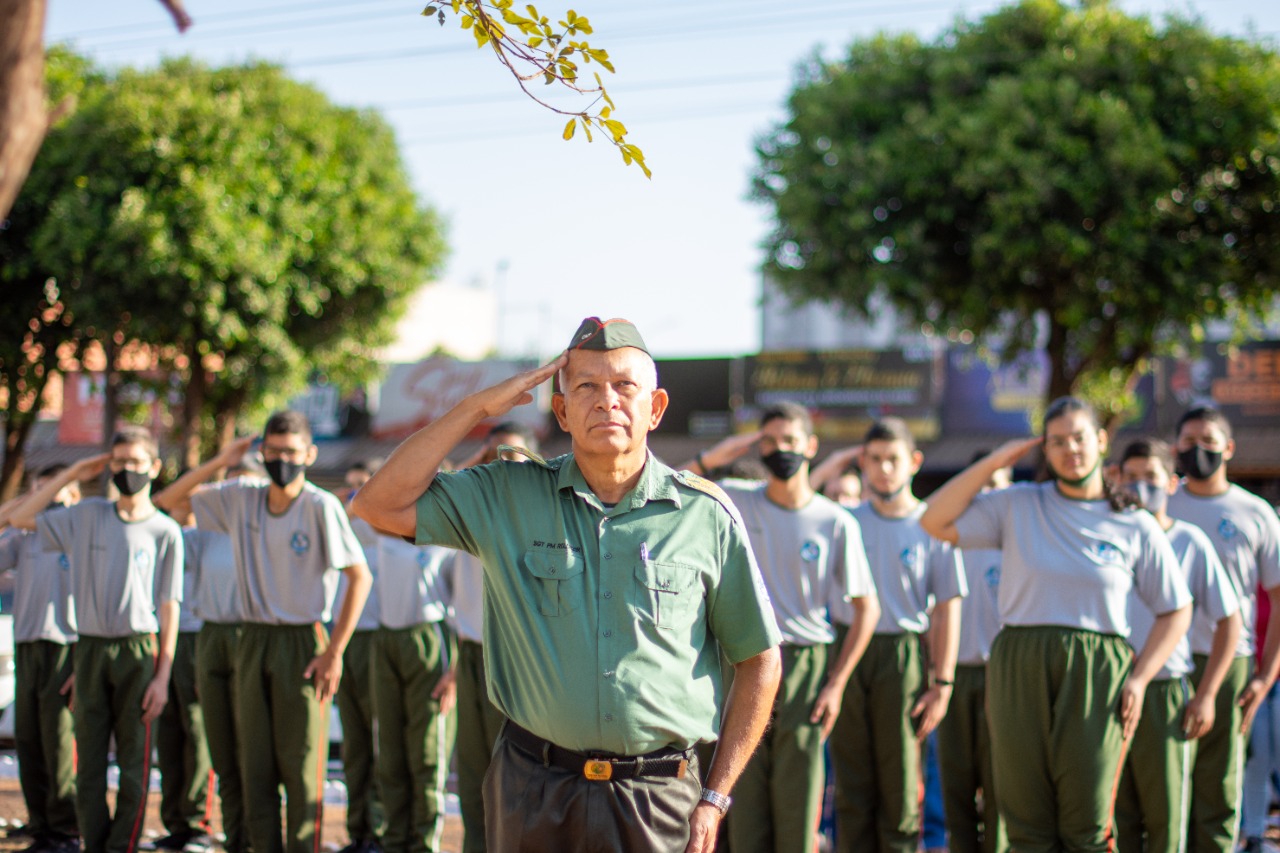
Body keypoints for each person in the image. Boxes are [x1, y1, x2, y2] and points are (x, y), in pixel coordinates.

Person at [351, 316, 784, 852]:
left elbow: (760, 659)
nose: (607, 401)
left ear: (657, 408)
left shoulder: (706, 516)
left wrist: (715, 797)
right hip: (533, 787)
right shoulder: (507, 494)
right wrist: (478, 409)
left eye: (625, 386)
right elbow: (376, 505)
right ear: (561, 410)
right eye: (585, 387)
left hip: (658, 798)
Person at [921, 396, 1194, 853]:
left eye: (1080, 438)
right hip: (1018, 663)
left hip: (1097, 670)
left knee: (1086, 822)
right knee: (1026, 823)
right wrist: (999, 458)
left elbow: (1176, 609)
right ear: (1043, 450)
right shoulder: (1017, 504)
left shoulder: (1133, 523)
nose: (1071, 450)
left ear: (1101, 441)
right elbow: (933, 518)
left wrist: (1141, 678)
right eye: (1057, 442)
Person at [158, 413, 372, 853]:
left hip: (302, 640)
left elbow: (359, 577)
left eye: (291, 453)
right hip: (251, 639)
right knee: (253, 765)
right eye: (273, 452)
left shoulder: (320, 506)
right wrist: (223, 458)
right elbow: (170, 502)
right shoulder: (241, 496)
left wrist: (334, 652)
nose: (282, 461)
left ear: (309, 455)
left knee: (299, 765)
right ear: (261, 452)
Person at [685, 402, 880, 853]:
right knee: (742, 794)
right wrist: (719, 453)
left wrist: (836, 683)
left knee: (800, 800)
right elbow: (671, 480)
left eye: (790, 441)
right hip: (744, 658)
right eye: (769, 441)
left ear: (811, 446)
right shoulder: (734, 496)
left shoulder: (836, 520)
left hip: (806, 663)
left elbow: (866, 608)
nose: (780, 450)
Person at [11, 427, 185, 853]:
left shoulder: (165, 531)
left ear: (154, 468)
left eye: (136, 463)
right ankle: (93, 843)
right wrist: (70, 472)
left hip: (139, 650)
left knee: (134, 762)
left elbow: (169, 608)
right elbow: (20, 518)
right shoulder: (85, 515)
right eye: (119, 462)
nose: (127, 471)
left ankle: (122, 845)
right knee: (87, 761)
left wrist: (162, 676)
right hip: (88, 648)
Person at [826, 417, 966, 853]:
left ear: (914, 463)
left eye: (893, 460)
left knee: (902, 783)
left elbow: (947, 609)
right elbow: (796, 498)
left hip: (903, 656)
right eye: (874, 460)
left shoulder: (932, 524)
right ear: (862, 463)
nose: (884, 469)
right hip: (847, 649)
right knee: (851, 782)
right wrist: (836, 460)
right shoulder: (843, 520)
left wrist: (941, 684)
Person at [1114, 437, 1242, 852]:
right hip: (1107, 688)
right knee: (1116, 815)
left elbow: (1229, 621)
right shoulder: (1107, 534)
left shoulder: (1189, 542)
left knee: (1167, 818)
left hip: (1164, 692)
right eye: (1130, 476)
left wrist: (1206, 696)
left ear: (1171, 483)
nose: (1139, 486)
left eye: (1150, 476)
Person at [1166, 407, 1280, 853]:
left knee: (1220, 782)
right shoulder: (1160, 506)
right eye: (1190, 440)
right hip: (1163, 662)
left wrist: (1264, 675)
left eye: (1210, 441)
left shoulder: (1255, 514)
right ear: (1175, 448)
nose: (1200, 450)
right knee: (1165, 777)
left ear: (1229, 448)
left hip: (1230, 662)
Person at [448, 421, 541, 853]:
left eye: (514, 456)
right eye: (494, 456)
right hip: (470, 657)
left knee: (517, 778)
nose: (504, 464)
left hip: (519, 659)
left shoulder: (544, 515)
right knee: (473, 774)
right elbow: (428, 487)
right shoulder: (468, 509)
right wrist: (479, 457)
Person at [0, 466, 80, 853]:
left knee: (59, 741)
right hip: (28, 643)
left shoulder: (80, 534)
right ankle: (41, 823)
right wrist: (28, 503)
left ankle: (65, 828)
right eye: (41, 493)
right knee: (28, 738)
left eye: (59, 490)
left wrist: (82, 661)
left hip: (67, 645)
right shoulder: (24, 536)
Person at [936, 454, 1011, 853]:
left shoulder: (1015, 542)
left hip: (1003, 676)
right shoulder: (951, 541)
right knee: (956, 784)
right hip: (954, 678)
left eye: (997, 483)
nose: (987, 493)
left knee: (1001, 782)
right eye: (980, 484)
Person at [371, 529, 457, 853]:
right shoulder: (382, 532)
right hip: (386, 640)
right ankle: (393, 840)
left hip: (429, 640)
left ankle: (423, 844)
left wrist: (454, 673)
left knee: (426, 753)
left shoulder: (446, 540)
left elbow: (462, 603)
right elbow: (355, 508)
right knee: (389, 751)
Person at [335, 460, 385, 853]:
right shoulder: (341, 527)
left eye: (361, 485)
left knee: (379, 742)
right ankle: (358, 830)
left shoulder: (383, 526)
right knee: (354, 744)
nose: (354, 494)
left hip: (376, 641)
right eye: (349, 486)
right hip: (344, 642)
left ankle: (380, 829)